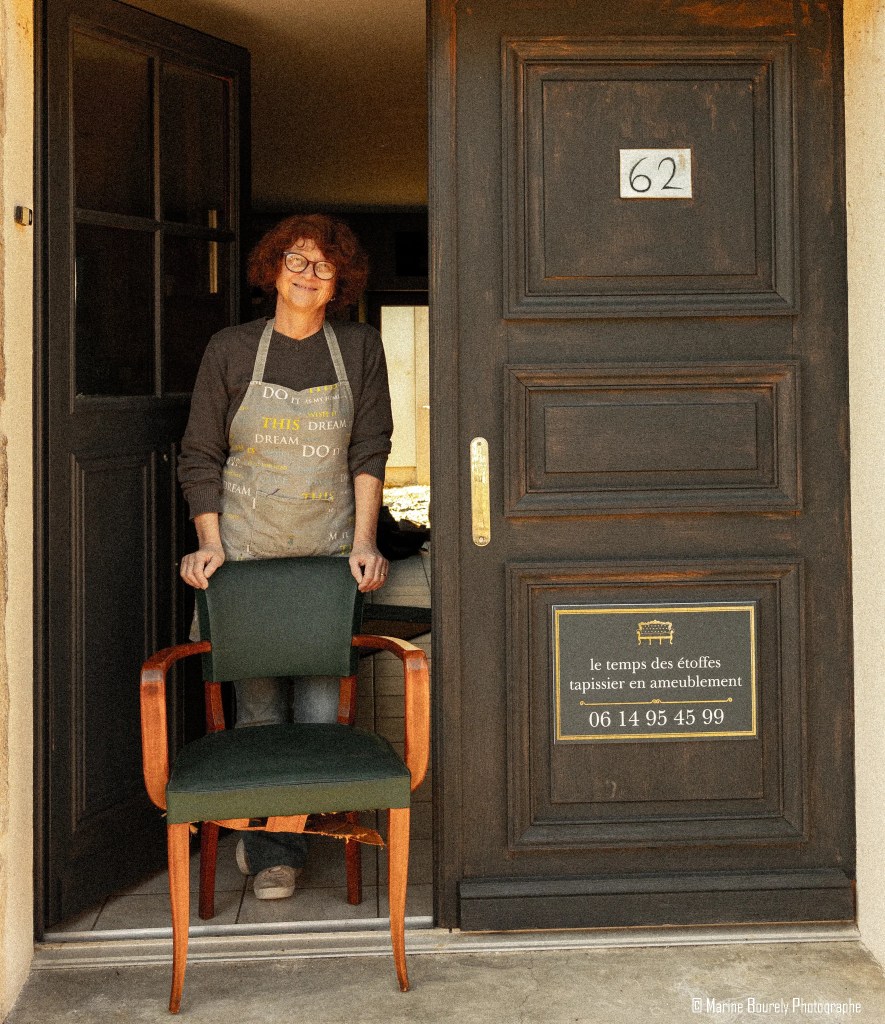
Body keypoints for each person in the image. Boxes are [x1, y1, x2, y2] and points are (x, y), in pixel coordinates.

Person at [178, 214, 392, 899]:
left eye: (323, 266)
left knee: (324, 716)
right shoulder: (231, 349)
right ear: (273, 268)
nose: (307, 274)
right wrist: (210, 543)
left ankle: (285, 838)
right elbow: (200, 454)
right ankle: (276, 851)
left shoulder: (359, 346)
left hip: (328, 559)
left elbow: (369, 449)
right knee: (261, 715)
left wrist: (365, 541)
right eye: (296, 260)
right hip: (246, 559)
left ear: (339, 283)